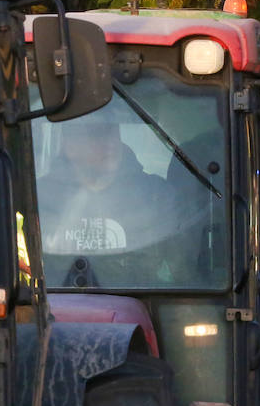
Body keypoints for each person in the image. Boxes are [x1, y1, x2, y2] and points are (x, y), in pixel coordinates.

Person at [39, 104, 183, 286]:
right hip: (51, 310)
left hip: (142, 306)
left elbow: (183, 274)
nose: (110, 143)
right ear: (70, 145)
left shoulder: (156, 196)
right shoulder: (37, 199)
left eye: (113, 132)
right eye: (96, 134)